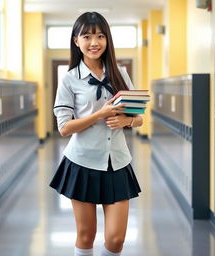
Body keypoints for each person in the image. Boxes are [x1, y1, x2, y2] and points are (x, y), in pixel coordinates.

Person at [50, 12, 143, 256]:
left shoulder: (120, 74)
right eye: (87, 36)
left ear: (107, 40)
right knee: (86, 235)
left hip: (118, 162)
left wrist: (127, 120)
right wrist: (99, 115)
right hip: (82, 162)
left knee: (116, 239)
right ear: (76, 41)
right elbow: (64, 128)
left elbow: (140, 118)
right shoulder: (69, 80)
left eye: (101, 36)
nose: (95, 42)